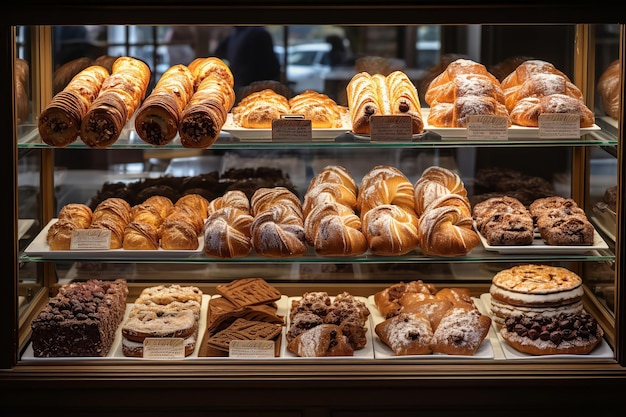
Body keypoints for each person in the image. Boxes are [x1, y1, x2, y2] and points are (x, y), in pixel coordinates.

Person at [214, 26, 281, 93]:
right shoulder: (237, 34)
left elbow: (217, 54)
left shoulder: (238, 35)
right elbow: (273, 66)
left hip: (250, 86)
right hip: (249, 86)